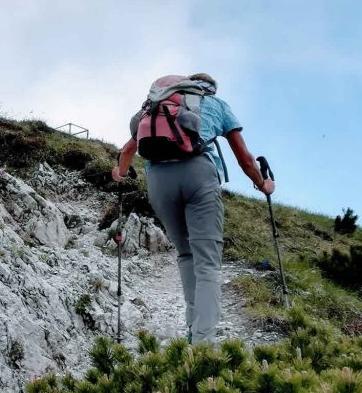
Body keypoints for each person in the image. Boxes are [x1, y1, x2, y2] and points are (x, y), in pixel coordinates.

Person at [111, 73, 275, 345]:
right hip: (198, 173)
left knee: (186, 254)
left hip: (158, 180)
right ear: (209, 89)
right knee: (208, 263)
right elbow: (245, 158)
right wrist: (263, 184)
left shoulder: (157, 104)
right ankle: (203, 343)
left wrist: (121, 172)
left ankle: (192, 330)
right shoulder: (217, 105)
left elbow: (129, 149)